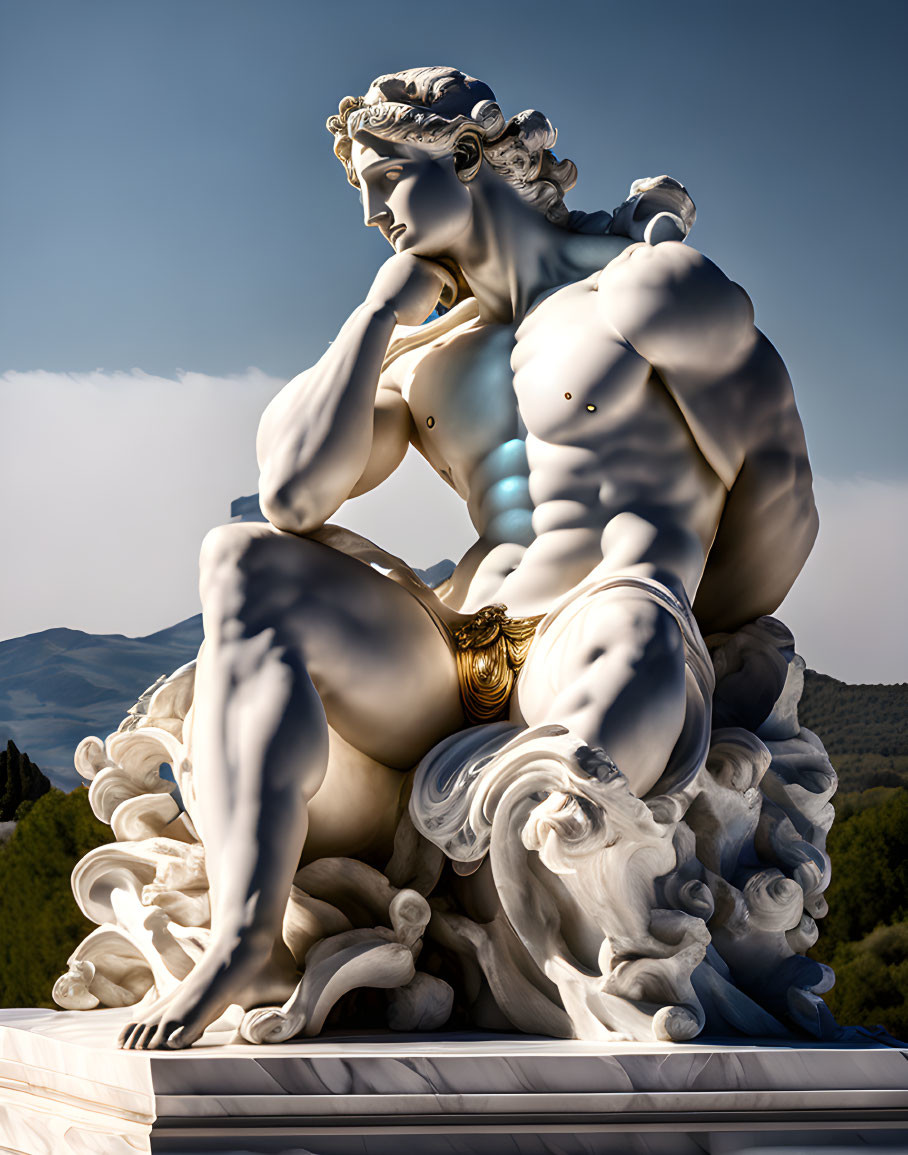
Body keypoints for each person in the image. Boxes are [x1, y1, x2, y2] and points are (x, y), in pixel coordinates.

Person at [119, 66, 818, 1050]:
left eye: (387, 179)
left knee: (568, 808)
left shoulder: (647, 290)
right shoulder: (427, 353)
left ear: (465, 157)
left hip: (604, 616)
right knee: (242, 560)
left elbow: (777, 501)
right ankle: (245, 938)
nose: (368, 213)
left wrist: (682, 615)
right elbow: (291, 494)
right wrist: (373, 318)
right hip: (448, 649)